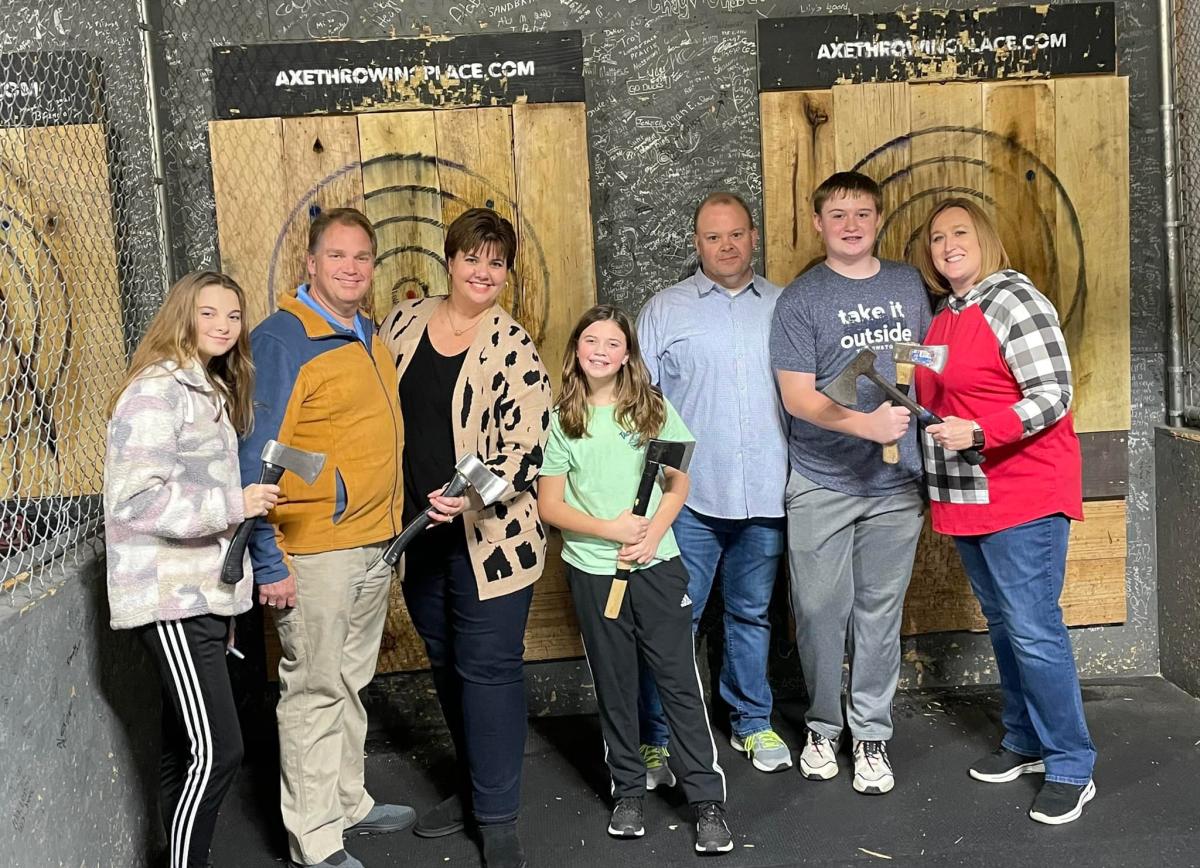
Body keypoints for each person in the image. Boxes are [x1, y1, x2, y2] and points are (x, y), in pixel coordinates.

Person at [909, 198, 1095, 825]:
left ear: (986, 239)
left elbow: (1055, 393)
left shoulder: (1014, 301)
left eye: (960, 232)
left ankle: (1071, 763)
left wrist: (982, 432)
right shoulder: (945, 317)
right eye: (937, 238)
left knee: (1034, 629)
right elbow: (937, 405)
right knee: (1005, 624)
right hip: (968, 497)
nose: (948, 245)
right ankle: (1024, 741)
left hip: (1022, 491)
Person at [378, 207, 551, 868]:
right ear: (449, 260)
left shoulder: (511, 343)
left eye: (496, 262)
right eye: (472, 258)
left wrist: (468, 494)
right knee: (448, 664)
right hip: (420, 535)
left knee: (488, 670)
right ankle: (476, 787)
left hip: (491, 540)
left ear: (506, 273)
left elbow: (528, 447)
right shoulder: (404, 322)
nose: (483, 271)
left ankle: (499, 819)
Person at [240, 208, 412, 868]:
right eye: (336, 256)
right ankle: (315, 840)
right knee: (313, 689)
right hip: (311, 549)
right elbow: (260, 453)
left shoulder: (368, 333)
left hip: (372, 541)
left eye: (362, 257)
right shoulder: (284, 338)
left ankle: (346, 802)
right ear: (310, 264)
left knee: (349, 677)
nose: (350, 267)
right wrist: (267, 557)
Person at [538, 304, 733, 856]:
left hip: (656, 566)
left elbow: (678, 482)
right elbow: (550, 505)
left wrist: (650, 534)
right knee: (616, 683)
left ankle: (706, 800)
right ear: (577, 348)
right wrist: (610, 528)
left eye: (613, 343)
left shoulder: (651, 411)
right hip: (594, 572)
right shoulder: (564, 419)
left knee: (678, 680)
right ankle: (627, 790)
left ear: (628, 354)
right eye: (591, 340)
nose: (601, 350)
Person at [104, 271, 279, 868]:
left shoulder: (205, 386)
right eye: (209, 314)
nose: (224, 327)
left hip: (203, 591)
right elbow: (133, 502)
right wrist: (236, 503)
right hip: (169, 594)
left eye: (233, 316)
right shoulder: (157, 391)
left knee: (185, 747)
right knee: (219, 750)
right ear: (183, 314)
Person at [769, 171, 930, 796]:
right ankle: (821, 723)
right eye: (838, 214)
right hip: (822, 479)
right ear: (818, 223)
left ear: (879, 218)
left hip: (895, 485)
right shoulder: (800, 300)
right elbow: (797, 396)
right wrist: (865, 424)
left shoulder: (909, 284)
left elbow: (922, 362)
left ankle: (870, 735)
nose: (852, 224)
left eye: (863, 212)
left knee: (879, 613)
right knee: (816, 610)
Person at [635, 191, 792, 780]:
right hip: (688, 500)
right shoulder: (665, 309)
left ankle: (752, 722)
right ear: (696, 243)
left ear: (754, 236)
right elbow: (638, 407)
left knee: (752, 617)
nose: (725, 246)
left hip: (766, 497)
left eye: (736, 234)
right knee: (677, 621)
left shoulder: (784, 306)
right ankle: (657, 738)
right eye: (712, 237)